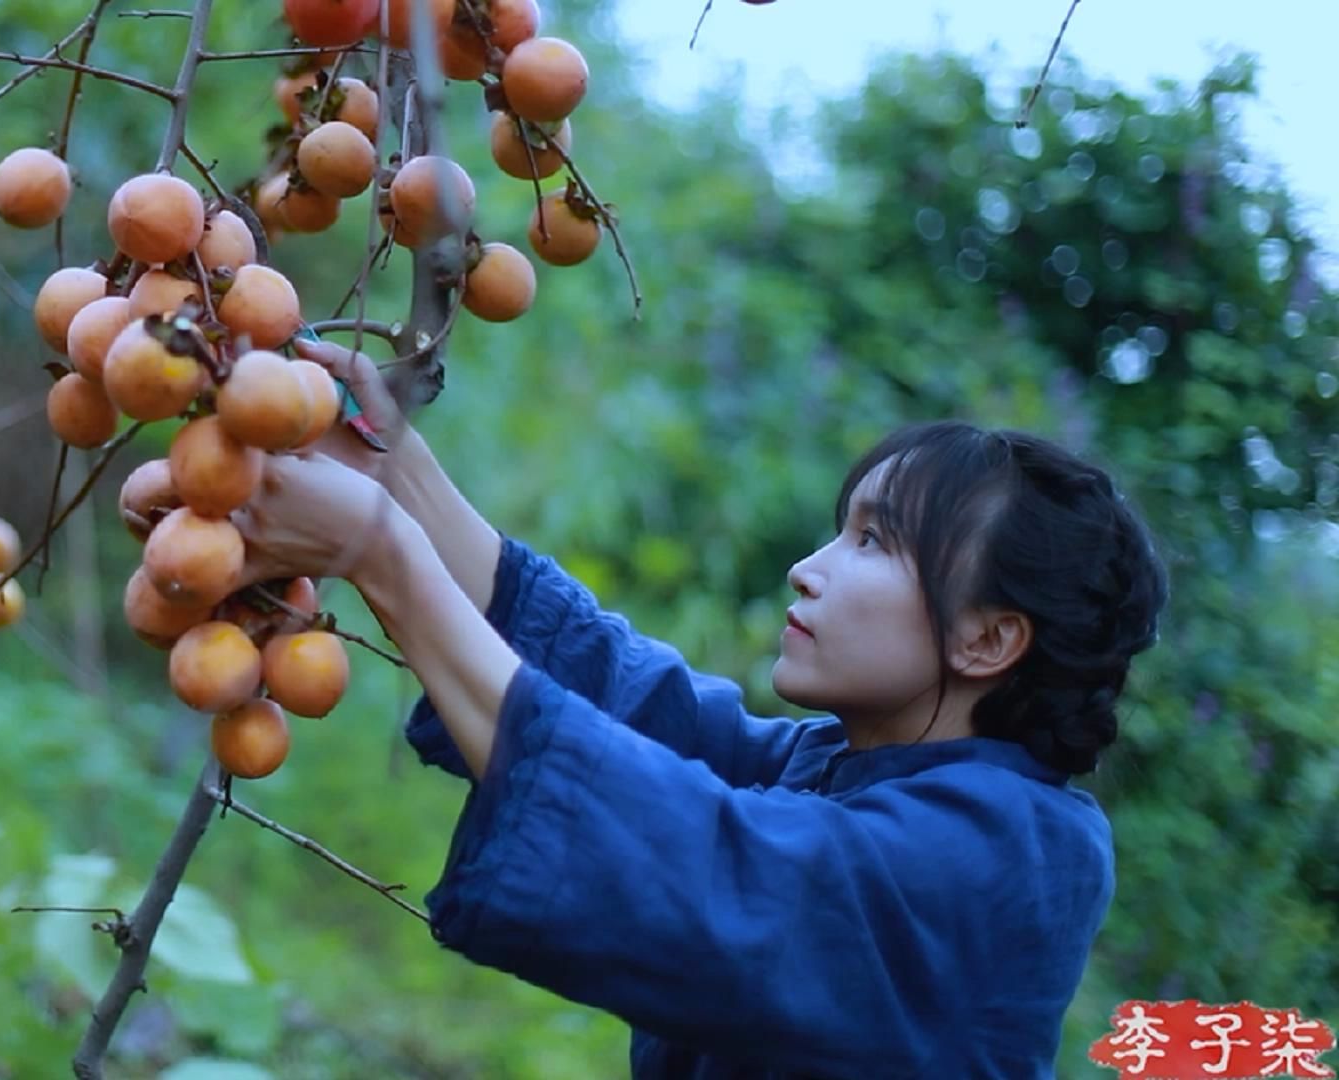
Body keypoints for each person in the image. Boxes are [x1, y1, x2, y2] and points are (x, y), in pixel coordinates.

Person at [230, 336, 1172, 1079]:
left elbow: (708, 854)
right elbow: (637, 705)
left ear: (988, 641)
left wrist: (384, 552)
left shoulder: (1012, 856)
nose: (808, 571)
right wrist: (397, 472)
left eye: (876, 543)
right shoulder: (834, 774)